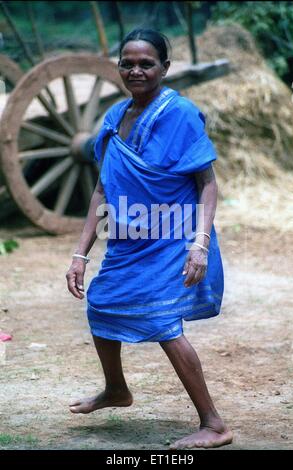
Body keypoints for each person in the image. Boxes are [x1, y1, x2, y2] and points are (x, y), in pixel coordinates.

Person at [66, 28, 233, 450]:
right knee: (101, 302)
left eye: (146, 63)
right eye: (128, 63)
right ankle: (116, 391)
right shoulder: (112, 119)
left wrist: (200, 244)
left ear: (164, 68)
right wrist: (79, 254)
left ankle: (214, 424)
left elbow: (207, 185)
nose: (136, 70)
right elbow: (103, 189)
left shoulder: (181, 114)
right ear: (118, 67)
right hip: (126, 241)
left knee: (161, 322)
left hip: (171, 240)